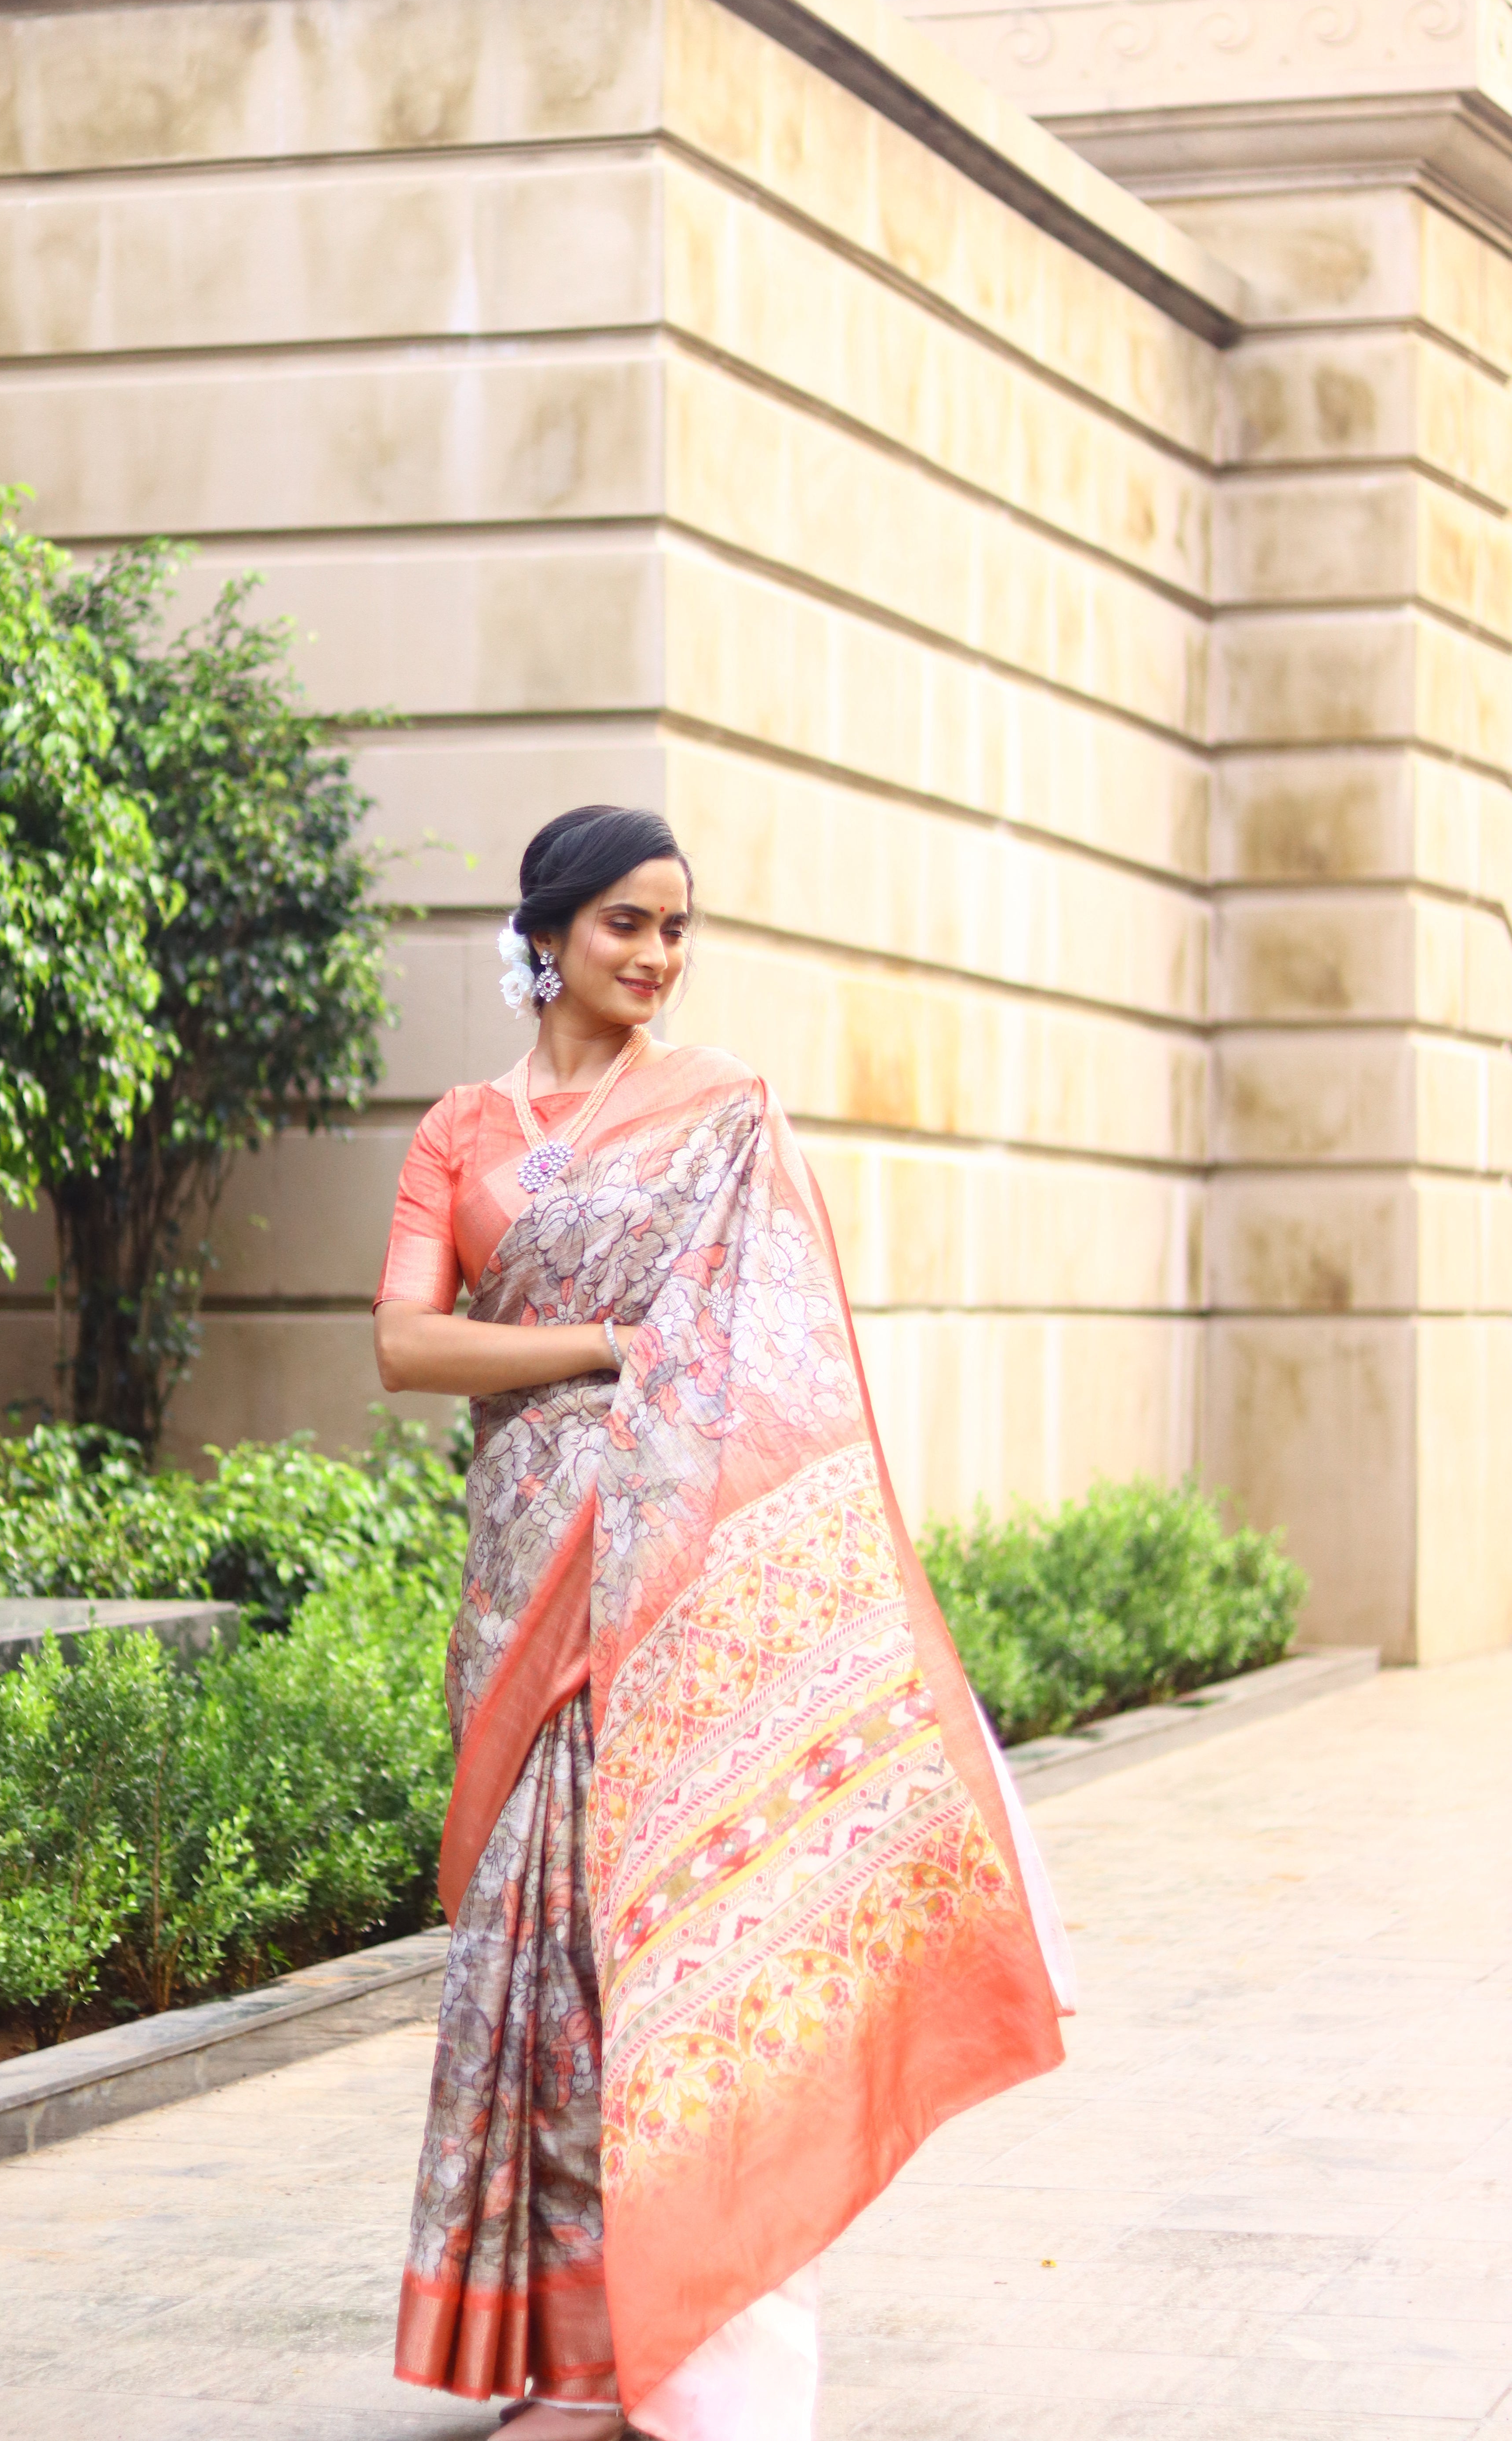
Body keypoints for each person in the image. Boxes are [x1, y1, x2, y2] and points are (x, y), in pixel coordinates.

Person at [374, 805, 1073, 2441]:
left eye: (678, 929)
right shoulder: (459, 1132)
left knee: (666, 1960)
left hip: (673, 1588)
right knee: (533, 1967)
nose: (658, 957)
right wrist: (606, 1345)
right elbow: (406, 1348)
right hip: (524, 1583)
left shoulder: (726, 1120)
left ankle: (657, 2350)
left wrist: (588, 1353)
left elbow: (778, 1355)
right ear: (546, 931)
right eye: (627, 923)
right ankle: (560, 2354)